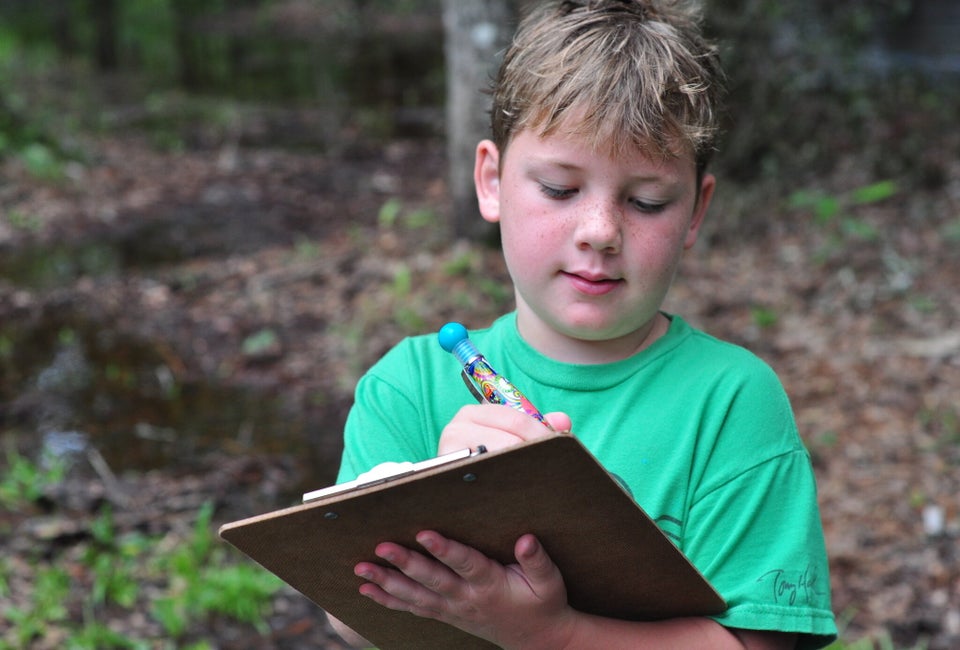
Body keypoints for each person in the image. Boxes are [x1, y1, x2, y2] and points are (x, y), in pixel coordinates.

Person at [329, 0, 837, 648]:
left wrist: (555, 634)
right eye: (561, 190)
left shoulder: (731, 400)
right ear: (491, 180)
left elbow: (757, 645)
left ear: (695, 211)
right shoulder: (408, 386)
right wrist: (441, 501)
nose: (600, 231)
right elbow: (346, 613)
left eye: (646, 200)